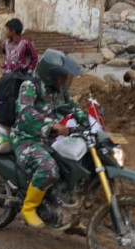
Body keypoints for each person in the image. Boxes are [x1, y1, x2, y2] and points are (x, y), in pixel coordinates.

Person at [11, 49, 86, 228]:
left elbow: (72, 108)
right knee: (49, 168)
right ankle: (29, 208)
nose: (64, 81)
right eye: (61, 77)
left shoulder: (60, 89)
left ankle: (68, 214)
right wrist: (51, 125)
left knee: (75, 167)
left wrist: (90, 120)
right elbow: (24, 112)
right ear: (50, 74)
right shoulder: (30, 86)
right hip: (27, 138)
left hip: (52, 139)